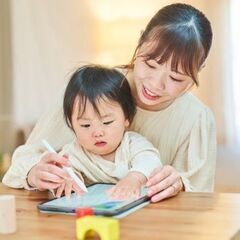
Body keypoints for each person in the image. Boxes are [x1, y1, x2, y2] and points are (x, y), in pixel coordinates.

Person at [2, 3, 216, 202]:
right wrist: (35, 172)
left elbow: (200, 199)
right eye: (150, 64)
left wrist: (179, 183)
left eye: (175, 78)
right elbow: (25, 160)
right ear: (140, 42)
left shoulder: (196, 119)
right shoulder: (89, 91)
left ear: (199, 70)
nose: (156, 85)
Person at [51, 65, 161, 199]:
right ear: (72, 125)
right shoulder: (74, 153)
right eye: (85, 125)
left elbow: (150, 161)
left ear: (126, 118)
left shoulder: (132, 144)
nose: (97, 133)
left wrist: (135, 179)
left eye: (107, 122)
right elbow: (65, 170)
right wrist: (69, 178)